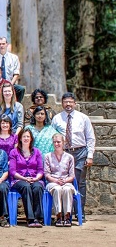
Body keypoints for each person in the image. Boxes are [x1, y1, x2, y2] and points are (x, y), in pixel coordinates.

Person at [51, 92, 95, 222]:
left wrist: (90, 156)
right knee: (63, 182)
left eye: (70, 102)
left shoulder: (83, 118)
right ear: (62, 103)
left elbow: (90, 138)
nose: (68, 104)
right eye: (66, 102)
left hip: (80, 152)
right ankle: (65, 212)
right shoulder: (57, 119)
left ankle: (79, 212)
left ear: (75, 103)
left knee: (80, 182)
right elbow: (52, 137)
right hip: (63, 153)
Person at [9, 128, 44, 227]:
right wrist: (24, 179)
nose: (26, 138)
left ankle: (38, 217)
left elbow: (40, 169)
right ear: (20, 138)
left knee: (37, 187)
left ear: (31, 139)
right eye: (24, 136)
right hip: (18, 179)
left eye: (28, 136)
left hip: (35, 178)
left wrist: (36, 178)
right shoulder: (14, 152)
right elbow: (12, 171)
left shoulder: (37, 152)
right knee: (26, 187)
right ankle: (30, 218)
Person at [44, 133, 76, 227]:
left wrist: (65, 181)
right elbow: (47, 174)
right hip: (53, 182)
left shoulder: (70, 157)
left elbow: (72, 175)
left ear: (63, 143)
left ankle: (67, 216)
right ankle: (58, 216)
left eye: (59, 142)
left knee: (67, 189)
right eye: (54, 142)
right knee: (57, 189)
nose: (56, 144)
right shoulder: (48, 156)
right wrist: (55, 180)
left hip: (66, 181)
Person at [0, 37, 26, 102]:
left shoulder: (14, 58)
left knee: (21, 89)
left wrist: (10, 85)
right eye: (0, 44)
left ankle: (16, 105)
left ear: (7, 44)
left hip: (11, 83)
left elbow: (16, 74)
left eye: (3, 44)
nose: (1, 46)